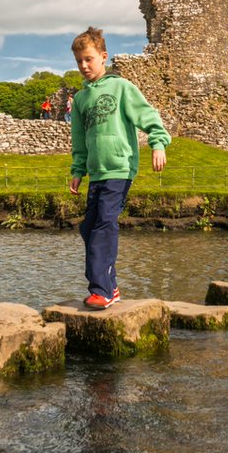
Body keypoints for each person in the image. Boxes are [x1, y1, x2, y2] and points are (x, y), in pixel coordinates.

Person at [69, 27, 170, 309]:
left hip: (120, 168)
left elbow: (148, 115)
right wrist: (78, 170)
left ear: (103, 57)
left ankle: (101, 290)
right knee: (88, 227)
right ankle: (110, 286)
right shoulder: (80, 99)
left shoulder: (122, 87)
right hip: (97, 172)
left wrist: (158, 143)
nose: (84, 66)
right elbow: (79, 140)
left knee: (103, 224)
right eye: (79, 61)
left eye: (89, 59)